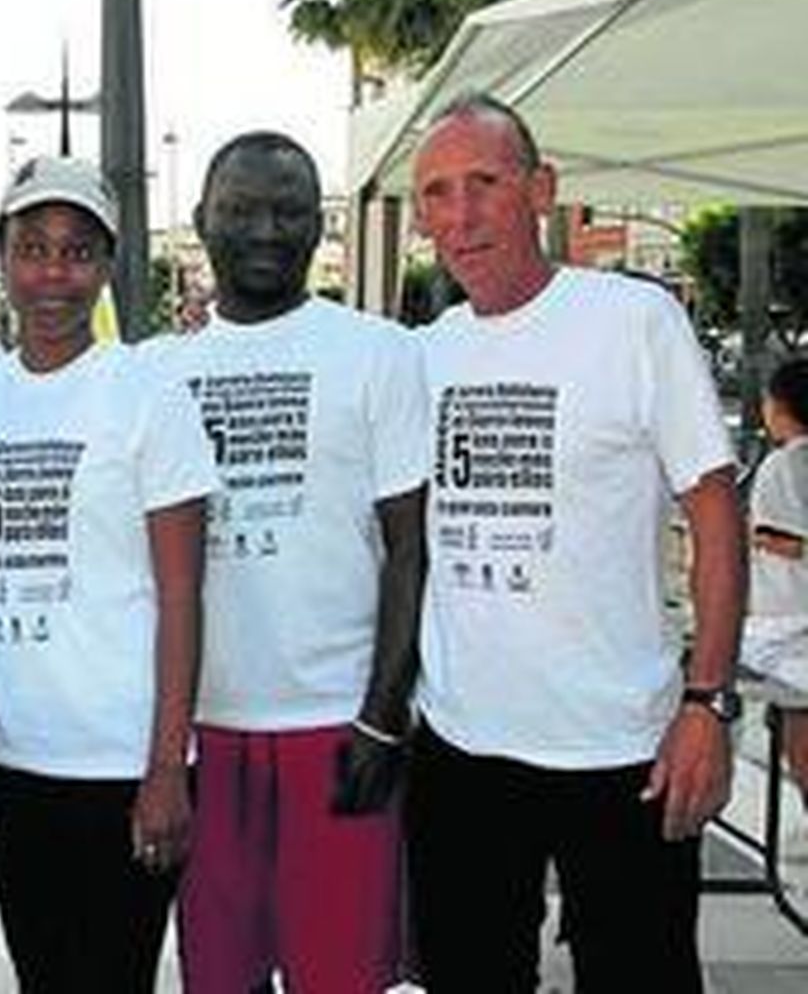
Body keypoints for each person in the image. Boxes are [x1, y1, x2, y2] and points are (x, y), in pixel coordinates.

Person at [407, 91, 743, 992]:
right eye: (437, 193)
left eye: (485, 182)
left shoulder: (634, 321)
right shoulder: (425, 353)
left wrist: (708, 703)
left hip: (622, 749)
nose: (462, 214)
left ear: (541, 189)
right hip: (461, 750)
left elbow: (715, 514)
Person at [155, 132, 426, 993]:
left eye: (289, 210)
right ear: (202, 221)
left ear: (322, 224)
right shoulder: (154, 372)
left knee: (338, 977)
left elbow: (409, 550)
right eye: (240, 210)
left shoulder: (380, 353)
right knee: (218, 978)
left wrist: (382, 718)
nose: (265, 229)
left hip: (336, 727)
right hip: (204, 734)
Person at [0, 156, 217, 992]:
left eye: (77, 252)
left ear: (106, 265)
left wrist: (166, 768)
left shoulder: (145, 390)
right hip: (17, 758)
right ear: (3, 256)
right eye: (33, 248)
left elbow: (182, 594)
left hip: (121, 764)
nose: (53, 275)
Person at [741, 357, 808, 808]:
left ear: (782, 407)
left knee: (801, 742)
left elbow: (784, 538)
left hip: (791, 624)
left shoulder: (783, 466)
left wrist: (746, 532)